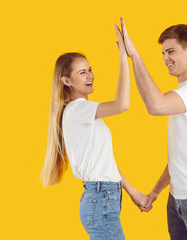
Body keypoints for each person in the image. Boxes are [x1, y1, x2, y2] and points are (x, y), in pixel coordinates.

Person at [117, 18, 187, 240]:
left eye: (170, 51)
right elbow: (180, 156)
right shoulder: (184, 95)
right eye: (162, 53)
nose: (164, 58)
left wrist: (135, 56)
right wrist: (156, 192)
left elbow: (155, 105)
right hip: (178, 198)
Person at [40, 23, 147, 240]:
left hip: (102, 198)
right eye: (82, 72)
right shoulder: (79, 109)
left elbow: (104, 162)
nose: (90, 76)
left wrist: (133, 192)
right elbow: (122, 104)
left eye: (90, 70)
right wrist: (123, 57)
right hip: (101, 200)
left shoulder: (80, 113)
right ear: (66, 80)